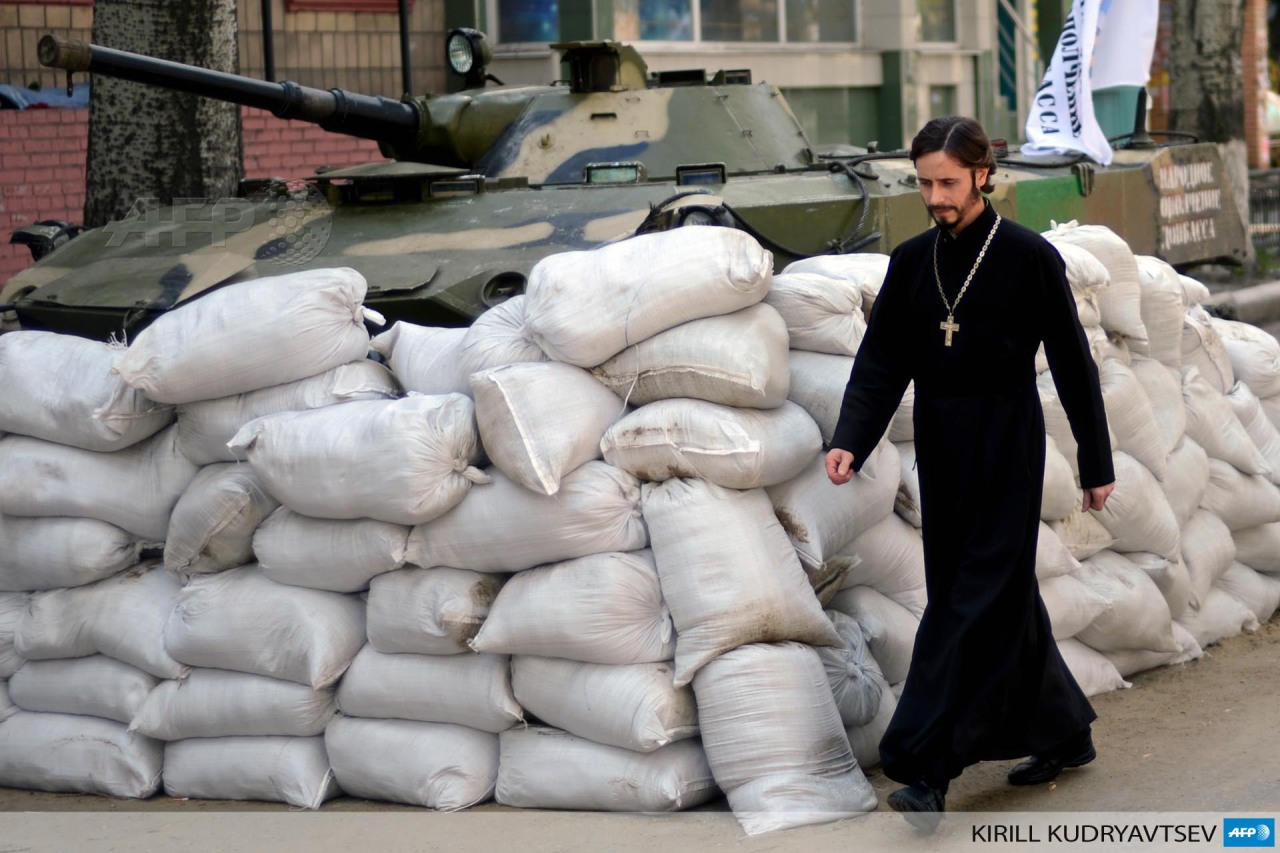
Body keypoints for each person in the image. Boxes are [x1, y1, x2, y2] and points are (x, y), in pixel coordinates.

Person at [824, 116, 1116, 833]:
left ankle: (925, 765)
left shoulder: (1027, 257)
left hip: (1008, 445)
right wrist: (851, 440)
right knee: (991, 596)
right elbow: (883, 360)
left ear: (983, 174)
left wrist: (1096, 459)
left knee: (966, 604)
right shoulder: (910, 260)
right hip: (943, 451)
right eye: (924, 182)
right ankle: (1062, 728)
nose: (936, 196)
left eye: (948, 182)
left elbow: (1074, 363)